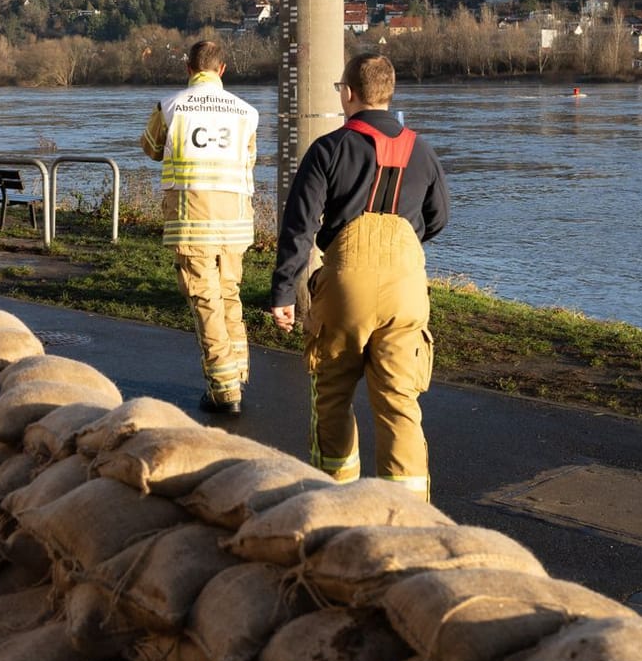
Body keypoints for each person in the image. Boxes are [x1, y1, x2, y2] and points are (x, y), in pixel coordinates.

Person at [270, 52, 448, 498]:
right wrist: (402, 246)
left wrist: (283, 291)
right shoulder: (422, 151)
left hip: (346, 285)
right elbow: (439, 216)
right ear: (389, 94)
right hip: (406, 289)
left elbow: (299, 226)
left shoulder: (328, 149)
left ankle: (337, 498)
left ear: (348, 94)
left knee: (332, 394)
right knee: (399, 403)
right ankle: (407, 514)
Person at [140, 38, 261, 416]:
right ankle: (237, 371)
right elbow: (249, 159)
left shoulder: (172, 106)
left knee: (205, 301)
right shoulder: (247, 113)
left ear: (189, 68)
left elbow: (150, 147)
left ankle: (224, 391)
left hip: (193, 222)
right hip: (235, 221)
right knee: (229, 295)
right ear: (222, 69)